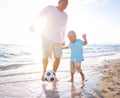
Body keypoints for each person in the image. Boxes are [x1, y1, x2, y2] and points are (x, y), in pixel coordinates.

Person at [29, 0, 68, 81]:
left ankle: (53, 74)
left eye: (66, 4)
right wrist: (33, 25)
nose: (65, 5)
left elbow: (64, 28)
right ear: (59, 2)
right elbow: (39, 15)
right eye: (63, 3)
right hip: (46, 36)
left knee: (58, 57)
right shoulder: (50, 8)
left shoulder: (65, 15)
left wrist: (63, 39)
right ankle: (44, 73)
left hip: (58, 39)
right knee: (45, 56)